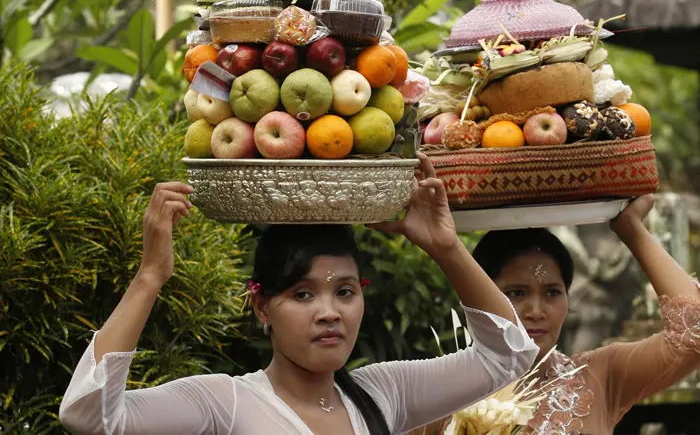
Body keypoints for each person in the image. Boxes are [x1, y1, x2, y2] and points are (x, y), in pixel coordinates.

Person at [59, 154, 539, 435]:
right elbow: (88, 414)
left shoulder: (383, 393)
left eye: (345, 291)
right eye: (303, 295)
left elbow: (510, 356)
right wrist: (150, 276)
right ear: (261, 306)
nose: (330, 312)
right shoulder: (223, 403)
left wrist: (446, 246)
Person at [409, 195, 700, 435]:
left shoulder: (601, 376)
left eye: (552, 293)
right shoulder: (443, 392)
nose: (535, 312)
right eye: (515, 293)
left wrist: (632, 230)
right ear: (475, 298)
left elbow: (694, 330)